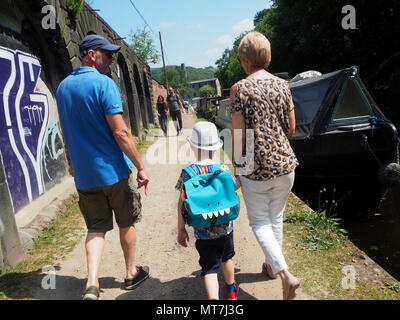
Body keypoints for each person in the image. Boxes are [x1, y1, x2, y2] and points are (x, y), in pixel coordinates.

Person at [56, 34, 150, 300]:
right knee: (126, 221)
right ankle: (131, 273)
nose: (111, 59)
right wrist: (140, 166)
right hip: (113, 172)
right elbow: (121, 133)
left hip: (85, 177)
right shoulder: (103, 84)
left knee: (96, 228)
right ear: (89, 54)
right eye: (106, 54)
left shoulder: (62, 88)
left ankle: (92, 284)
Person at [230, 31, 300, 300]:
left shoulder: (240, 88)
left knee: (260, 222)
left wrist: (239, 167)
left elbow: (239, 135)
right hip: (285, 166)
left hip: (255, 168)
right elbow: (291, 129)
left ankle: (285, 274)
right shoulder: (284, 86)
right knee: (276, 219)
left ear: (245, 60)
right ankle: (272, 268)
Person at [175, 122, 240, 300]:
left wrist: (181, 229)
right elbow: (234, 188)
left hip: (203, 234)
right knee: (227, 259)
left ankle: (213, 301)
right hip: (226, 229)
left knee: (210, 268)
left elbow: (181, 203)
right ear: (216, 147)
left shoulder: (188, 173)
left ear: (193, 146)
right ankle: (232, 293)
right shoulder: (223, 169)